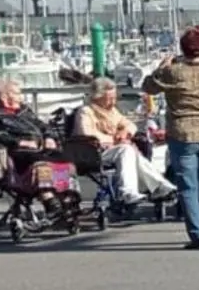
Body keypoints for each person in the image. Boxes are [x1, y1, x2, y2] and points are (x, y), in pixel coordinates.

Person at [142, 28, 199, 250]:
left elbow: (148, 87)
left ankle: (197, 234)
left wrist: (161, 67)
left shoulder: (173, 72)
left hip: (182, 132)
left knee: (188, 185)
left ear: (183, 49)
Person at [73, 77, 177, 205]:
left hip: (112, 149)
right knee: (126, 149)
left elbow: (130, 124)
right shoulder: (85, 112)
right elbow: (87, 134)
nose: (113, 101)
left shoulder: (112, 112)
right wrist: (115, 140)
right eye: (109, 98)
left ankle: (159, 186)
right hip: (93, 151)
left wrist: (124, 133)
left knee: (131, 151)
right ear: (97, 97)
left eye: (114, 97)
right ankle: (129, 191)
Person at [0, 79, 69, 213]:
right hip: (13, 151)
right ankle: (46, 194)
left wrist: (49, 137)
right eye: (18, 93)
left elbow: (42, 125)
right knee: (38, 160)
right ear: (4, 97)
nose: (21, 97)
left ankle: (63, 194)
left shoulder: (23, 110)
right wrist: (18, 142)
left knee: (60, 157)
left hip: (37, 146)